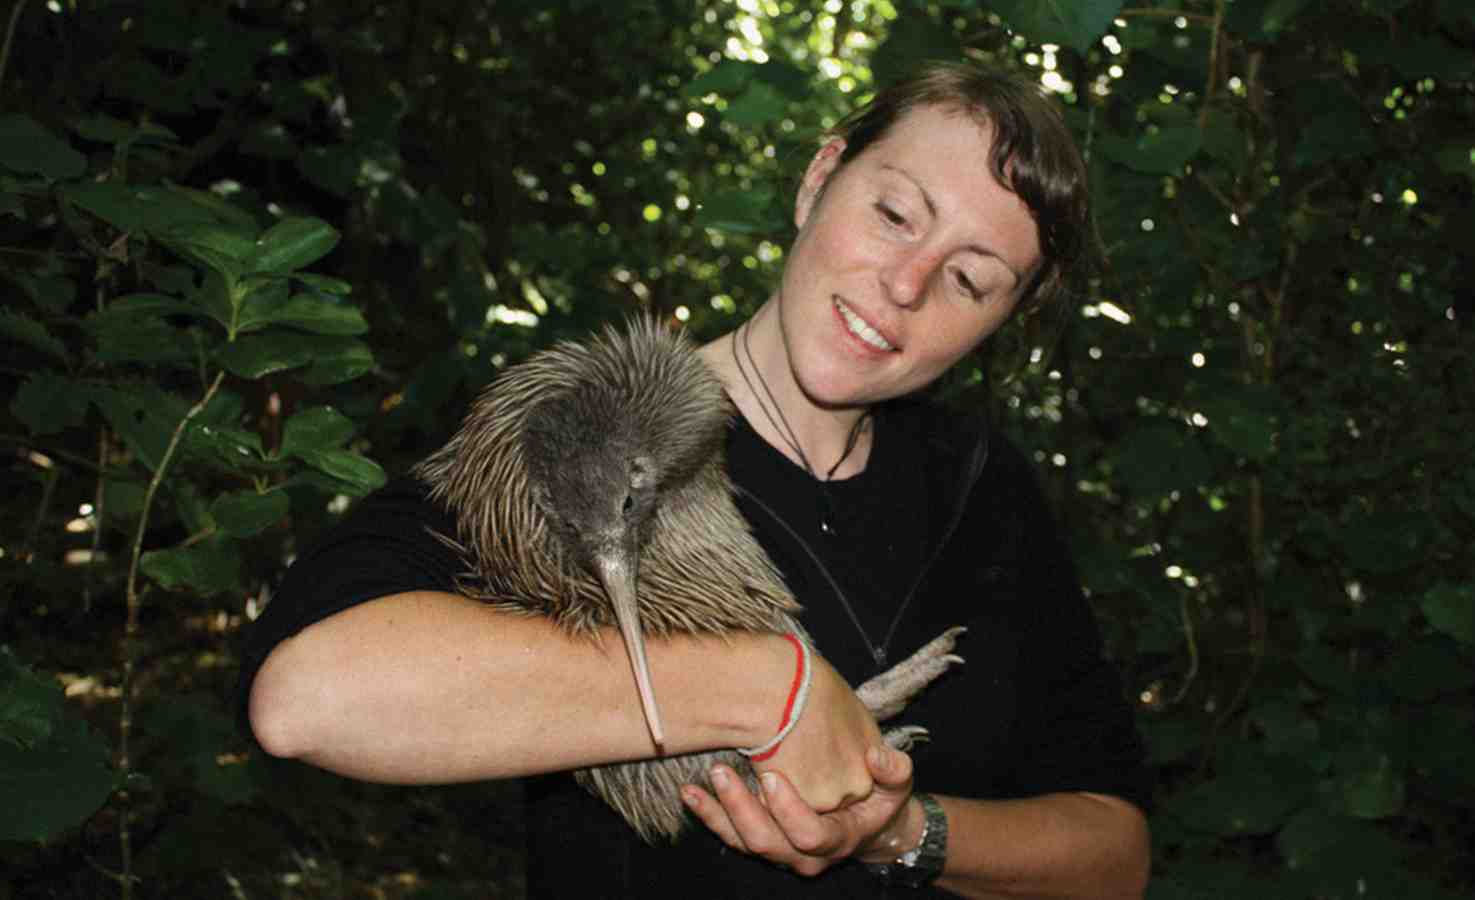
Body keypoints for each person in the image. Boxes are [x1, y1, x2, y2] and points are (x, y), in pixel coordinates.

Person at [240, 62, 1151, 898]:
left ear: (1000, 321)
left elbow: (1114, 858)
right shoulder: (598, 429)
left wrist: (902, 831)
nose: (905, 286)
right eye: (894, 215)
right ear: (818, 178)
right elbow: (307, 697)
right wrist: (769, 689)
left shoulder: (982, 488)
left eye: (968, 278)